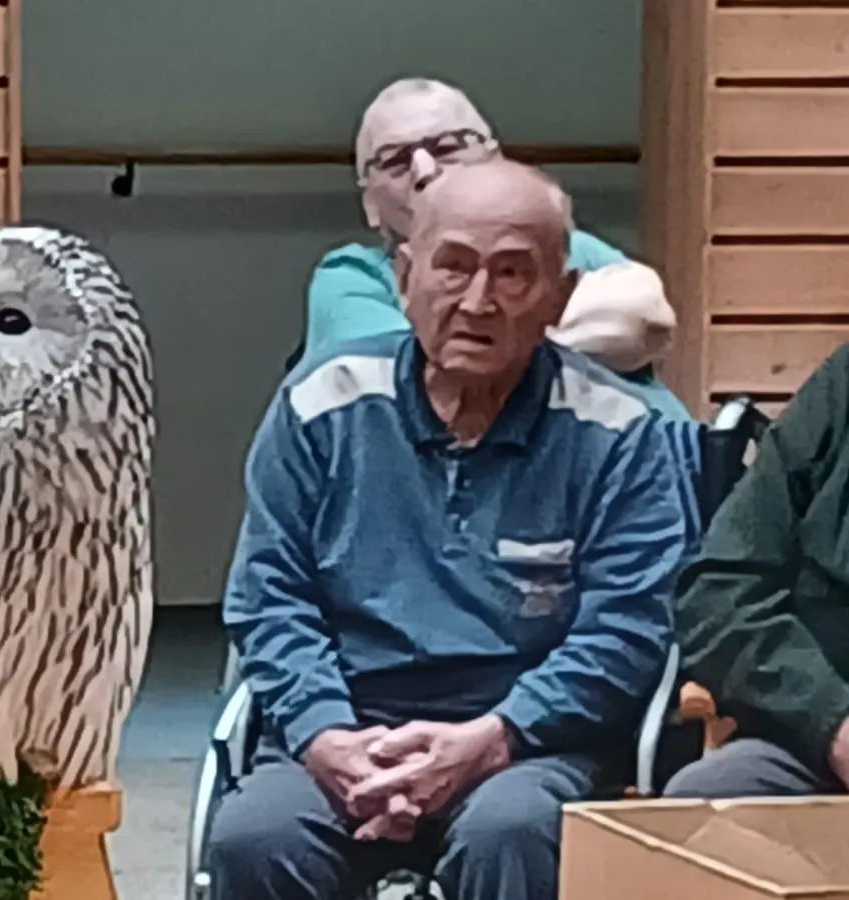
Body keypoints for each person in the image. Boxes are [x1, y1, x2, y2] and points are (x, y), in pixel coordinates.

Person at [206, 159, 690, 900]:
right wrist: (327, 737)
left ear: (559, 298)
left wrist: (496, 736)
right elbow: (269, 597)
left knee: (514, 835)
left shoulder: (621, 433)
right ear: (405, 278)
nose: (477, 300)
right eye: (452, 267)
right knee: (256, 838)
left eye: (511, 275)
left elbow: (628, 630)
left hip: (530, 744)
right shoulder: (318, 403)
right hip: (344, 728)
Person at [299, 76, 688, 419]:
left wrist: (492, 350)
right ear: (370, 204)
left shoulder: (558, 244)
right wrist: (540, 334)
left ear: (494, 157)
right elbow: (419, 379)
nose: (425, 170)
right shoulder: (353, 277)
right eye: (395, 161)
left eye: (447, 147)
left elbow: (647, 319)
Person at [663, 346, 849, 800]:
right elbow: (718, 594)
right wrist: (832, 721)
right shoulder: (840, 390)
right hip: (823, 744)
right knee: (701, 806)